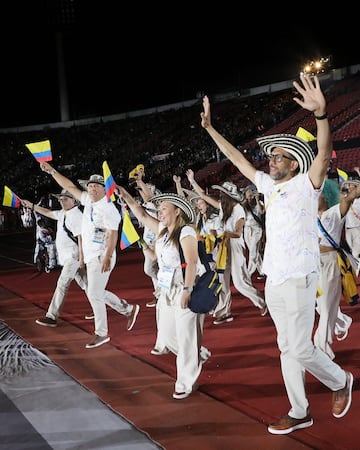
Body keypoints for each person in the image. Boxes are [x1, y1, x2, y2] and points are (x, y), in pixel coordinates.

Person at [200, 74, 353, 434]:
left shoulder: (306, 182)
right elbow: (236, 159)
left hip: (300, 275)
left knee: (299, 347)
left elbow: (324, 151)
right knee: (286, 348)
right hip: (274, 277)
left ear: (295, 163)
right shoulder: (267, 185)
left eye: (279, 157)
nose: (271, 161)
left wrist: (321, 116)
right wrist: (210, 129)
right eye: (270, 156)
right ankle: (299, 411)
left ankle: (340, 381)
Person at [117, 186, 209, 400]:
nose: (159, 212)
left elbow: (192, 262)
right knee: (167, 336)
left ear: (177, 211)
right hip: (166, 288)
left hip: (185, 286)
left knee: (186, 337)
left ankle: (186, 381)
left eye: (164, 208)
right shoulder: (161, 230)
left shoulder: (185, 231)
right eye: (159, 209)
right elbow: (140, 213)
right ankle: (197, 354)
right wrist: (126, 195)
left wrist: (187, 290)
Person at [38, 161, 140, 349]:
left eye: (96, 186)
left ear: (104, 189)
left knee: (93, 293)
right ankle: (128, 309)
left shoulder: (108, 208)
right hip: (93, 255)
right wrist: (52, 171)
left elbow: (113, 234)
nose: (91, 188)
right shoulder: (87, 200)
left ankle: (101, 333)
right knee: (96, 292)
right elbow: (68, 186)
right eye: (90, 186)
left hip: (102, 255)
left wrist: (108, 256)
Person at [186, 171, 267, 323]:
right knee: (221, 280)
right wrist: (192, 181)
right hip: (222, 247)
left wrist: (221, 233)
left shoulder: (238, 210)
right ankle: (224, 311)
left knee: (240, 282)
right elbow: (204, 196)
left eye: (223, 193)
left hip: (235, 247)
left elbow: (237, 233)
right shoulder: (224, 207)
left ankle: (262, 301)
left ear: (229, 196)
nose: (220, 196)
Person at [22, 190, 88, 326]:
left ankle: (51, 316)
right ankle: (125, 308)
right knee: (88, 286)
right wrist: (32, 206)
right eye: (60, 199)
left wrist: (82, 258)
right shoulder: (63, 213)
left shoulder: (75, 215)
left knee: (62, 284)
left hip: (73, 257)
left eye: (65, 199)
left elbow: (81, 237)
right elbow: (47, 212)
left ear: (73, 201)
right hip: (68, 258)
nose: (61, 201)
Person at [315, 178, 360, 359]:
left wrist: (348, 187)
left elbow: (349, 199)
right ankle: (336, 330)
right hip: (314, 263)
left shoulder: (334, 212)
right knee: (322, 306)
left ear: (326, 197)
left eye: (318, 195)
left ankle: (322, 346)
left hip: (330, 262)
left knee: (326, 307)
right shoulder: (310, 216)